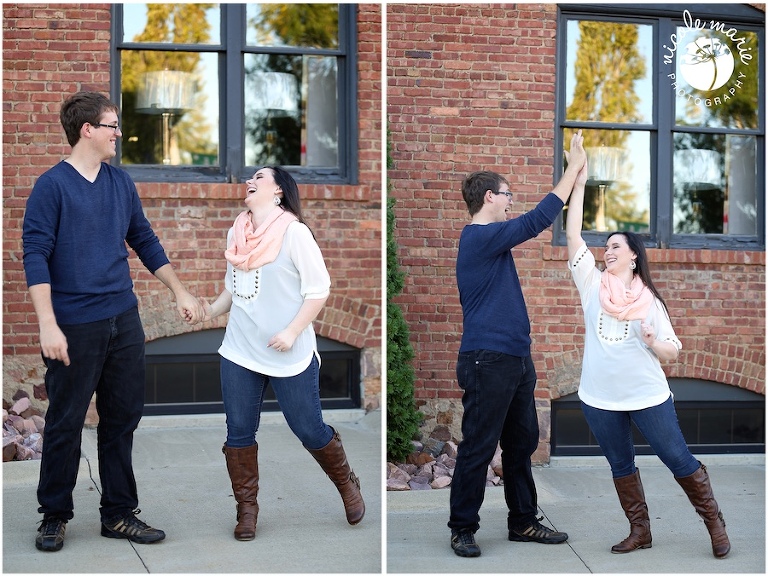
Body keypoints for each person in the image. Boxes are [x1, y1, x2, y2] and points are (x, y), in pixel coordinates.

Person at [22, 91, 203, 552]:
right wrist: (47, 324)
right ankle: (54, 515)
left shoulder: (120, 183)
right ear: (88, 130)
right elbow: (35, 255)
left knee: (122, 420)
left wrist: (179, 289)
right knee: (65, 422)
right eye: (112, 125)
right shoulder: (51, 186)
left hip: (123, 318)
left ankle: (119, 514)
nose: (118, 134)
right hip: (75, 324)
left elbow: (144, 238)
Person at [565, 151, 730, 558]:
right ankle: (640, 531)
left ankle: (714, 522)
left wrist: (654, 340)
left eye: (616, 246)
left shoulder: (649, 302)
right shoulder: (592, 285)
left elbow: (671, 352)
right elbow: (573, 235)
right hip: (599, 398)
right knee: (621, 466)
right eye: (606, 246)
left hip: (647, 397)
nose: (608, 251)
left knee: (678, 458)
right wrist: (579, 183)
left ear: (634, 255)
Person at [196, 166, 364, 541]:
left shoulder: (294, 233)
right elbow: (233, 290)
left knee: (309, 429)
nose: (250, 181)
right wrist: (208, 311)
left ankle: (346, 483)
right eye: (250, 178)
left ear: (278, 192)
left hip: (289, 353)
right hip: (240, 350)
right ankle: (247, 511)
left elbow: (318, 289)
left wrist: (291, 331)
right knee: (239, 432)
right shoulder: (237, 232)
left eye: (259, 177)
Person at [448, 132, 587, 558]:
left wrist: (577, 177)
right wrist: (571, 170)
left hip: (515, 358)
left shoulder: (491, 242)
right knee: (478, 446)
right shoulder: (478, 236)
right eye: (508, 194)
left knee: (521, 444)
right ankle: (462, 528)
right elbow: (537, 220)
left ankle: (523, 521)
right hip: (487, 359)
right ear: (490, 196)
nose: (511, 201)